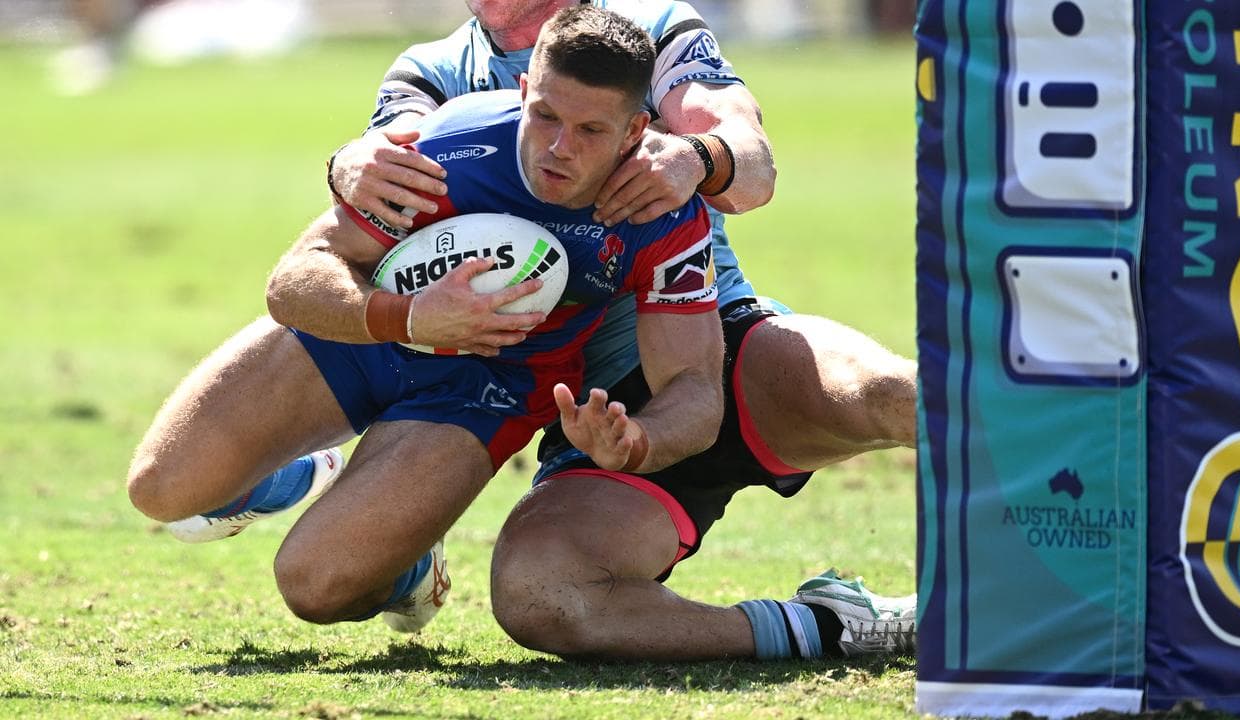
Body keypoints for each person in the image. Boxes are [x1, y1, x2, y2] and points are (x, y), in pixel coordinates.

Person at [327, 0, 919, 661]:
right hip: (592, 416)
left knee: (901, 396)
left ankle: (1035, 572)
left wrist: (696, 156)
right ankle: (833, 629)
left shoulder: (649, 29)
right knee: (541, 595)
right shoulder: (431, 72)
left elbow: (752, 167)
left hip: (720, 343)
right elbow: (379, 191)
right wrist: (348, 161)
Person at [126, 5, 725, 633]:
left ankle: (406, 565)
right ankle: (296, 478)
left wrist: (641, 443)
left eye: (590, 131)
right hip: (363, 334)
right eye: (544, 114)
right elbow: (298, 276)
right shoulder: (449, 147)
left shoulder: (662, 216)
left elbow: (696, 389)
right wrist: (409, 317)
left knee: (315, 587)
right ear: (523, 91)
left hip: (484, 392)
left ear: (634, 132)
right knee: (160, 490)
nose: (557, 147)